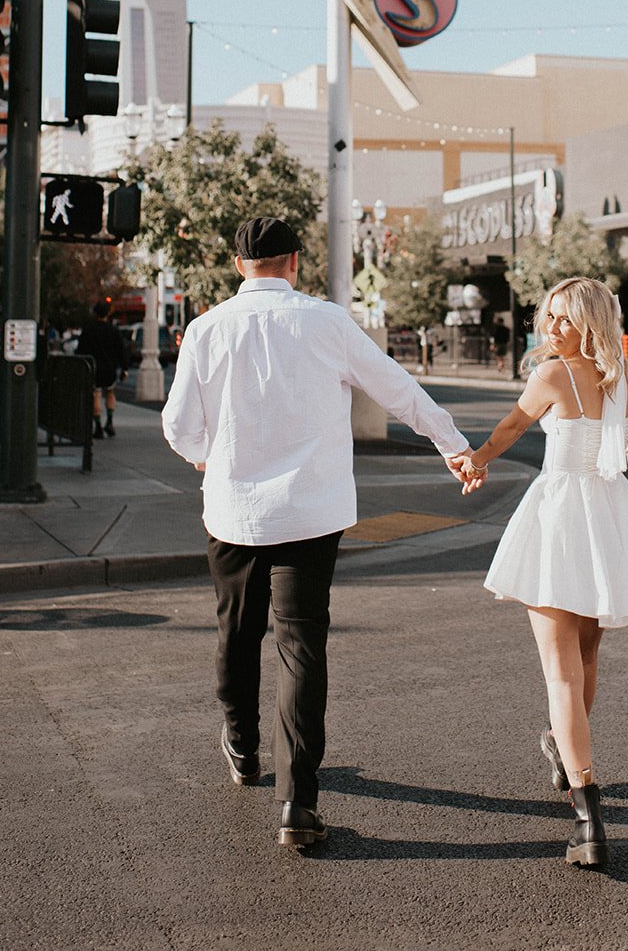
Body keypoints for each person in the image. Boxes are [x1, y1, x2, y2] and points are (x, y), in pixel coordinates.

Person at [161, 215, 477, 852]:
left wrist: (204, 456)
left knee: (236, 632)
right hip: (310, 513)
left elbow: (178, 424)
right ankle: (298, 804)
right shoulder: (327, 322)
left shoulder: (206, 328)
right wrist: (453, 444)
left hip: (233, 511)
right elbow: (397, 388)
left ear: (238, 265)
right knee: (301, 647)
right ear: (294, 262)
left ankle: (242, 744)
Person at [456, 275, 628, 868]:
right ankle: (563, 747)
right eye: (549, 317)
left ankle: (588, 816)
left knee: (561, 675)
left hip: (559, 517)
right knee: (585, 660)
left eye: (565, 319)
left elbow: (510, 429)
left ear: (590, 325)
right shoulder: (626, 382)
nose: (551, 328)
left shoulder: (552, 375)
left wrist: (475, 462)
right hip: (607, 518)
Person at [75, 300, 129, 438]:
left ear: (95, 313)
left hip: (94, 367)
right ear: (108, 313)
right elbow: (121, 350)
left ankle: (98, 425)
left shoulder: (88, 330)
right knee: (110, 392)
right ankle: (110, 421)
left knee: (97, 394)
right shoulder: (113, 330)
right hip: (110, 368)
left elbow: (80, 350)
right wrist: (124, 368)